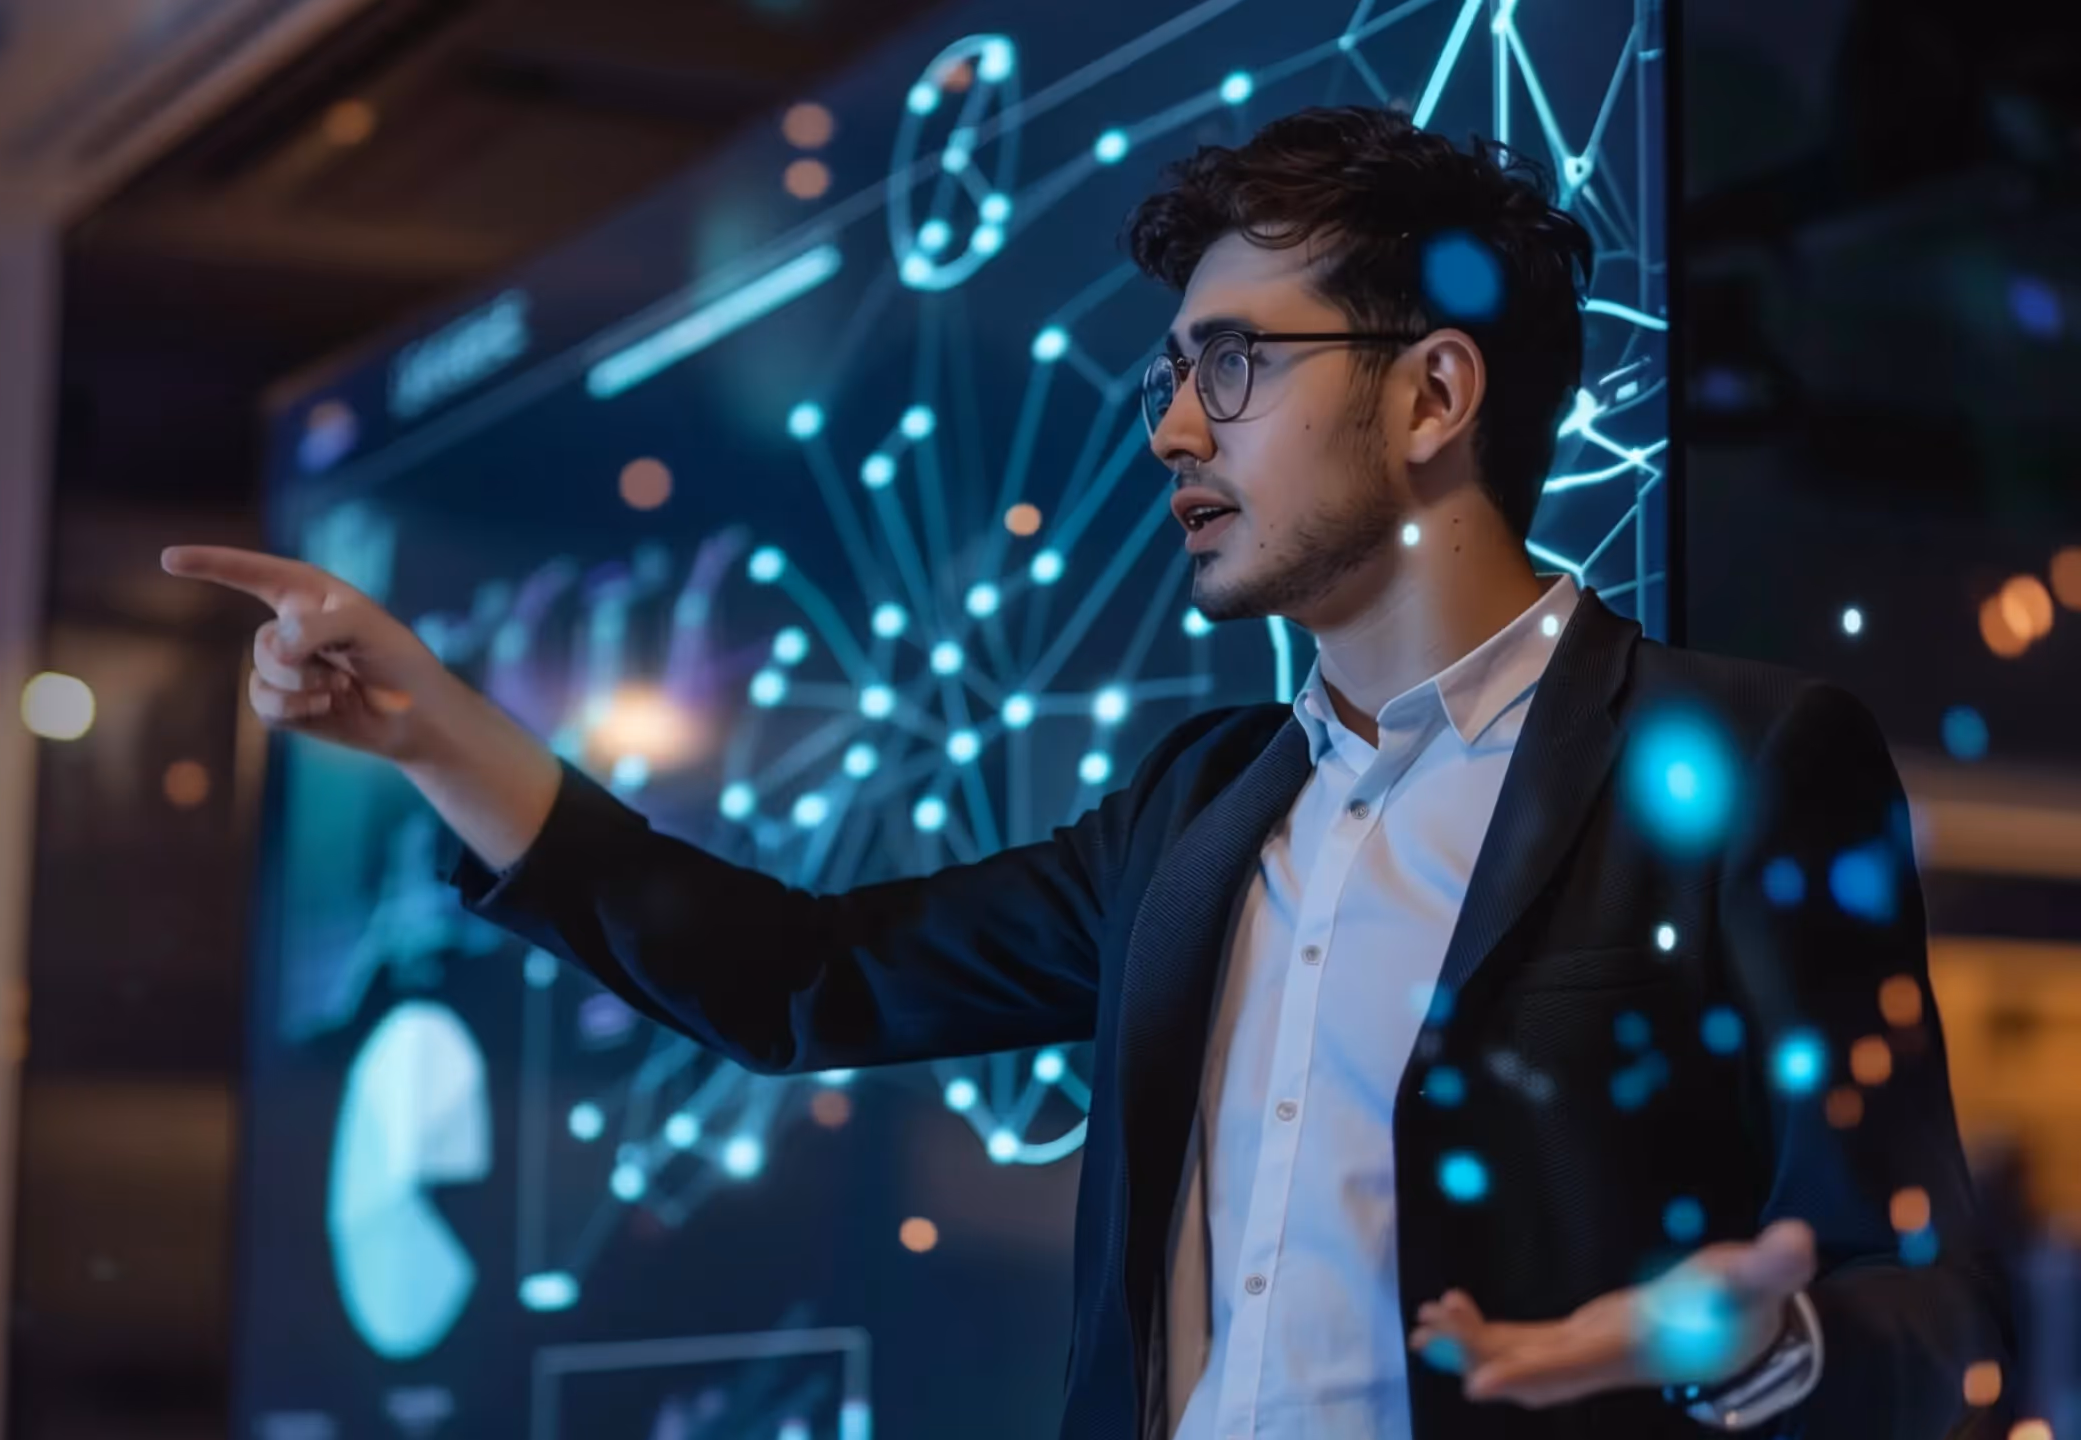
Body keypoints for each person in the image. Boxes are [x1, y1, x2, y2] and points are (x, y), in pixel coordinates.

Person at [164, 106, 2009, 1440]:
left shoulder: (1740, 760)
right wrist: (427, 729)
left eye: (1235, 365)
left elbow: (1911, 1308)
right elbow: (799, 981)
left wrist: (1748, 1354)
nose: (1175, 429)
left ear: (1436, 397)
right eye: (1169, 376)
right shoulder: (1199, 811)